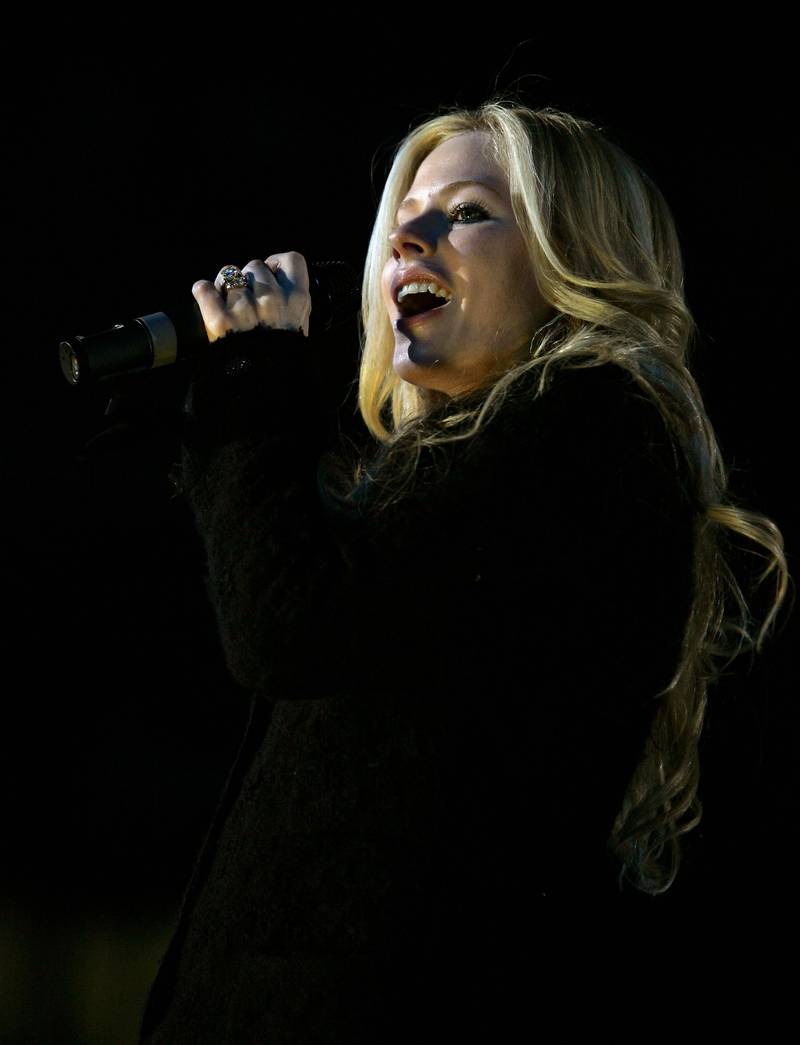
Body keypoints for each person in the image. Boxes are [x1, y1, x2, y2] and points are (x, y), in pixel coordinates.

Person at [138, 101, 788, 1042]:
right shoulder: (467, 474)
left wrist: (249, 386)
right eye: (408, 208)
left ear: (575, 260)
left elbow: (286, 622)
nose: (407, 230)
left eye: (469, 210)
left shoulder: (590, 433)